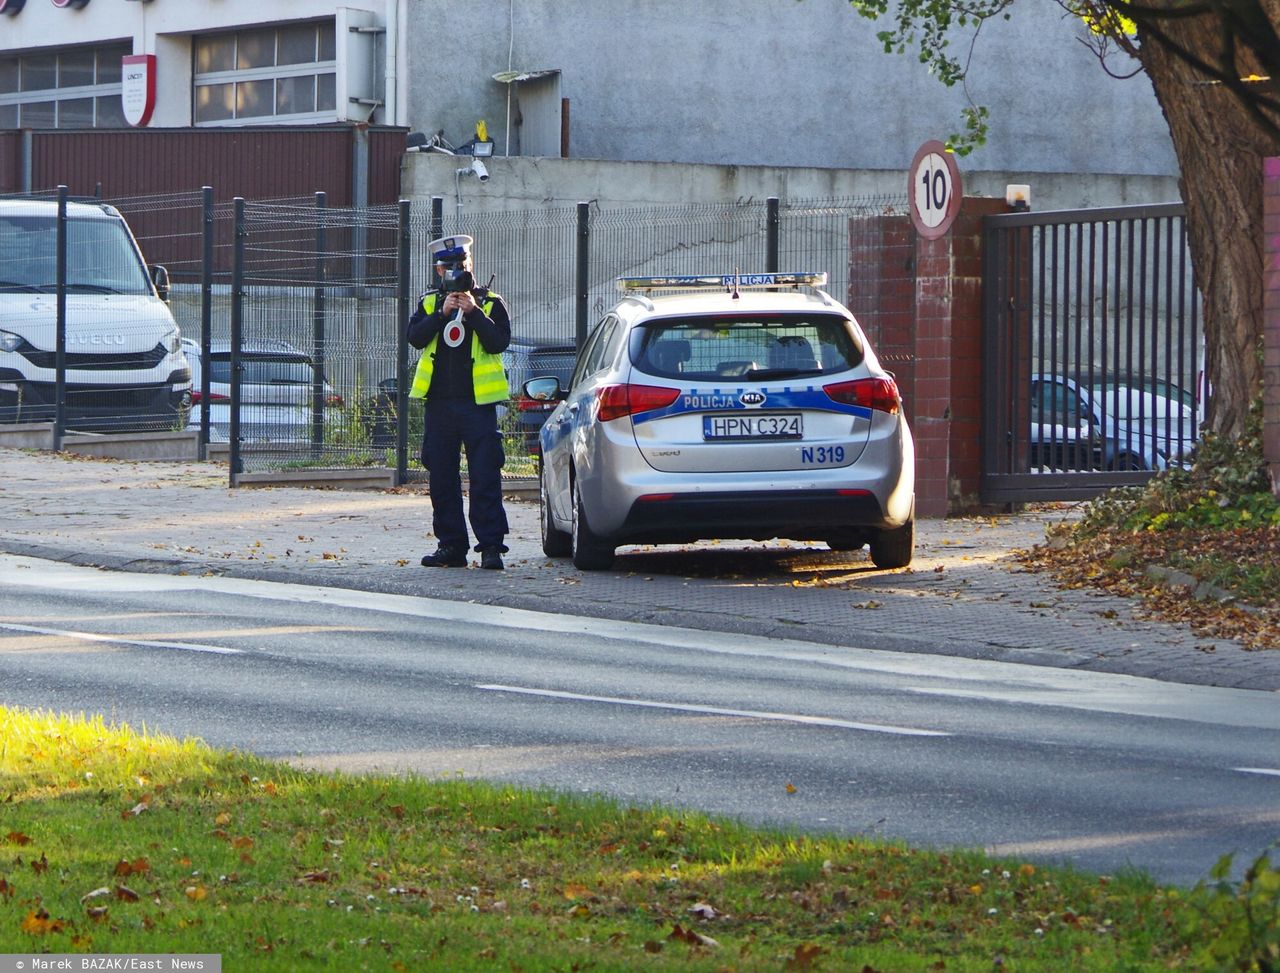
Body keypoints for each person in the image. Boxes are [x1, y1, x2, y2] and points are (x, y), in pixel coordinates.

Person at [406, 235, 512, 570]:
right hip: (439, 405)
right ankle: (451, 546)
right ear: (438, 270)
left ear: (469, 266)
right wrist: (442, 314)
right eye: (446, 267)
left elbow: (498, 343)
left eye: (459, 266)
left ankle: (491, 546)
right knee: (441, 478)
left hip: (477, 405)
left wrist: (474, 312)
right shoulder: (428, 303)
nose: (453, 272)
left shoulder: (491, 302)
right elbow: (415, 338)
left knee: (484, 476)